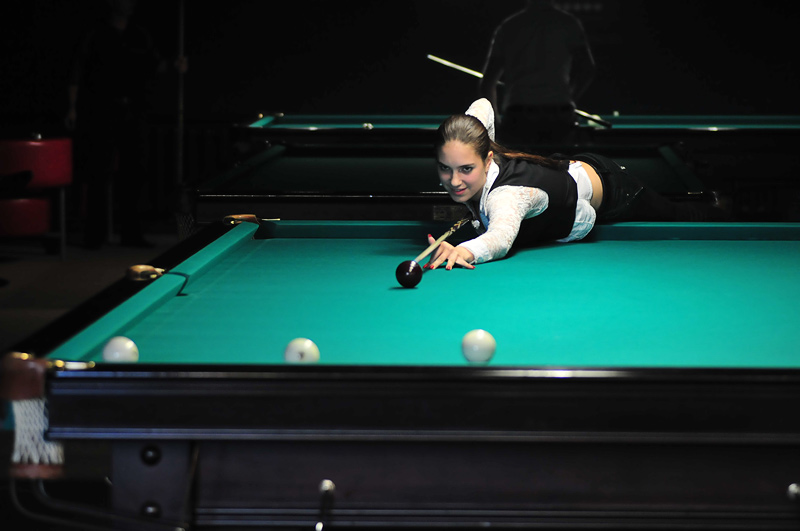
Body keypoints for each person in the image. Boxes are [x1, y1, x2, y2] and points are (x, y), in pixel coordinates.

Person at [426, 99, 729, 270]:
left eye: (466, 169)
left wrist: (465, 250)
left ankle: (723, 210)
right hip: (569, 172)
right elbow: (483, 105)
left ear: (488, 157)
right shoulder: (475, 138)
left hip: (614, 188)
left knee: (677, 215)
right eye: (444, 168)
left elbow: (500, 239)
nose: (454, 181)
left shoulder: (507, 197)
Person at [66, 0, 186, 248]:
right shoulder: (96, 34)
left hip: (134, 110)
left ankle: (131, 232)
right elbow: (77, 69)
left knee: (134, 172)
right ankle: (95, 234)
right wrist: (72, 107)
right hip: (100, 110)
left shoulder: (139, 35)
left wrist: (176, 65)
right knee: (98, 171)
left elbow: (155, 65)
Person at [479, 0, 595, 147]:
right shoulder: (568, 23)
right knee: (558, 162)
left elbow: (487, 84)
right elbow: (588, 69)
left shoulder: (509, 26)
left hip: (518, 117)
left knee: (519, 163)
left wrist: (496, 122)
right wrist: (570, 98)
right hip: (558, 115)